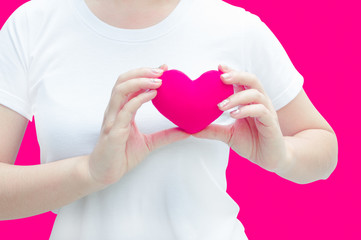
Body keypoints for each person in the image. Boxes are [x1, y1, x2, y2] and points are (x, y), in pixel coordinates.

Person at [0, 0, 338, 239]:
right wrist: (90, 171)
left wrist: (282, 155)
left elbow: (323, 146)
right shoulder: (32, 24)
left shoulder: (237, 28)